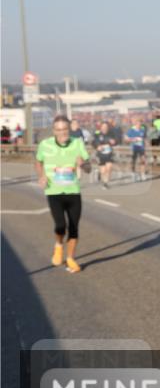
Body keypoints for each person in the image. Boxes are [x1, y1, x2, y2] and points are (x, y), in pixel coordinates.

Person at [35, 116, 91, 273]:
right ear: (54, 131)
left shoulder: (77, 143)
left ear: (69, 129)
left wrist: (83, 164)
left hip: (73, 191)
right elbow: (38, 162)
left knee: (74, 228)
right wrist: (41, 175)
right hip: (54, 191)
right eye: (58, 130)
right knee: (60, 226)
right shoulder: (45, 145)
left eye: (65, 129)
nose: (62, 133)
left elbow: (89, 168)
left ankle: (71, 259)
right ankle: (58, 245)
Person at [92, 121, 116, 189]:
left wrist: (114, 141)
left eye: (106, 127)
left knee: (109, 167)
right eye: (103, 127)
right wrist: (97, 147)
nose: (104, 128)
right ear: (101, 127)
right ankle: (100, 174)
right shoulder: (97, 133)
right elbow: (93, 142)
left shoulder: (111, 133)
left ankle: (106, 183)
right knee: (103, 171)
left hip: (109, 153)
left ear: (108, 128)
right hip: (101, 154)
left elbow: (116, 140)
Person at [125, 117, 147, 181]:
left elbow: (144, 138)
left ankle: (142, 174)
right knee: (133, 161)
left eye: (140, 123)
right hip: (134, 148)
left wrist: (146, 144)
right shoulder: (131, 130)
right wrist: (132, 139)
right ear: (135, 123)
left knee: (143, 160)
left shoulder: (142, 130)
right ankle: (133, 173)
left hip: (141, 147)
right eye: (138, 123)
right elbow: (126, 139)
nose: (139, 124)